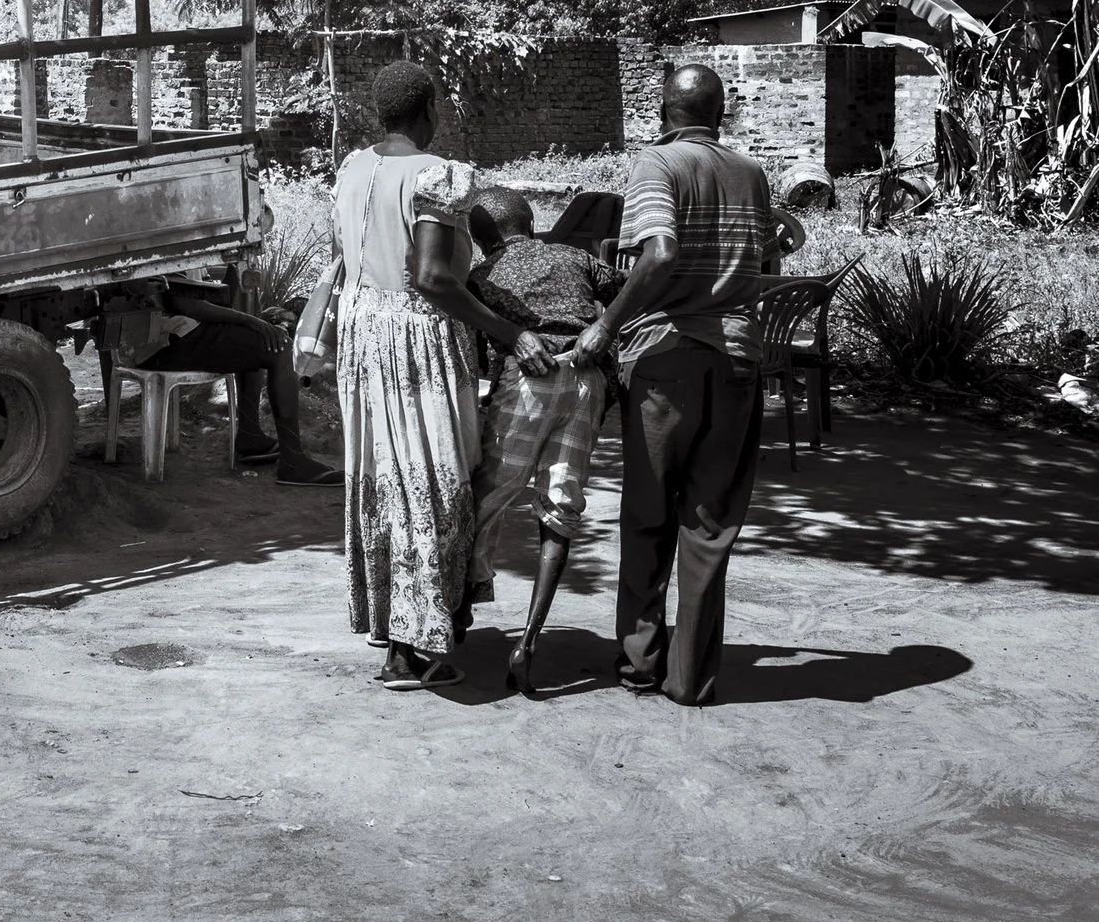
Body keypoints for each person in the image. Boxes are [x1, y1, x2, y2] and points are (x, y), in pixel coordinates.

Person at [317, 61, 556, 690]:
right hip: (419, 339)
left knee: (385, 480)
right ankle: (419, 646)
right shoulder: (438, 175)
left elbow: (347, 256)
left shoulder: (352, 169)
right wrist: (512, 332)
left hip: (364, 336)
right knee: (439, 479)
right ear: (430, 110)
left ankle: (397, 638)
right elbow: (432, 277)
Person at [574, 63, 777, 706]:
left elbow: (658, 253)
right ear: (722, 113)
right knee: (709, 522)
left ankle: (640, 663)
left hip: (666, 361)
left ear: (664, 112)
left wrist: (607, 324)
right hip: (738, 361)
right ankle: (691, 678)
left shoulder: (656, 164)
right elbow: (767, 259)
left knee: (648, 516)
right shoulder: (750, 172)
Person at [461, 184, 620, 698]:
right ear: (529, 221)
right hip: (586, 378)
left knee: (485, 499)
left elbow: (469, 339)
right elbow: (629, 289)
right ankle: (528, 642)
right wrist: (603, 328)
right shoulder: (573, 256)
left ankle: (456, 610)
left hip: (529, 382)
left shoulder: (481, 275)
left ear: (479, 239)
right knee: (560, 507)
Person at [121, 274, 341, 486]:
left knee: (255, 341)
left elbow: (208, 296)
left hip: (168, 336)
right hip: (164, 342)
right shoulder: (174, 239)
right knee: (280, 347)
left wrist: (232, 271)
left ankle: (250, 436)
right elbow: (183, 303)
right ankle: (292, 461)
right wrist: (248, 320)